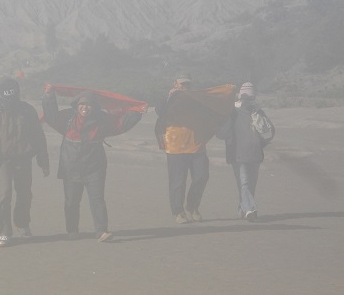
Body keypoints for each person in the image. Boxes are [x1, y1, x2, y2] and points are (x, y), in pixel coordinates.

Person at [42, 84, 142, 242]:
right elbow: (51, 116)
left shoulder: (102, 119)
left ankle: (102, 231)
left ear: (94, 106)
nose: (85, 107)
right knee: (71, 201)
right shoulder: (68, 118)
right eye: (82, 104)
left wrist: (137, 111)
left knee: (97, 200)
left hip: (95, 168)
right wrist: (48, 97)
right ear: (76, 105)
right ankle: (72, 230)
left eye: (88, 104)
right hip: (70, 167)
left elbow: (121, 124)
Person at [0, 78, 49, 247]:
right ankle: (3, 231)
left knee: (24, 194)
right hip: (2, 160)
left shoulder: (27, 110)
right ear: (1, 95)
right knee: (3, 195)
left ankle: (22, 222)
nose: (11, 100)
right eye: (7, 96)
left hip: (23, 158)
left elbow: (38, 137)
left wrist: (43, 160)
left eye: (14, 95)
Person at [155, 72, 227, 224]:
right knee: (177, 182)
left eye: (187, 84)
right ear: (175, 84)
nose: (184, 87)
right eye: (182, 84)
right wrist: (170, 98)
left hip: (197, 146)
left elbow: (212, 110)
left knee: (202, 177)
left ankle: (192, 205)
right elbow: (159, 111)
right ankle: (178, 212)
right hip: (175, 146)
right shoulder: (168, 100)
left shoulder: (197, 100)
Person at [216, 82, 275, 221]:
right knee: (244, 183)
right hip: (237, 154)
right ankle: (250, 209)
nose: (247, 101)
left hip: (255, 153)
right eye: (245, 97)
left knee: (250, 185)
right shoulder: (232, 111)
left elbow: (265, 131)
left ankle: (242, 208)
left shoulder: (257, 111)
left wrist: (255, 113)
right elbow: (221, 133)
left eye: (250, 98)